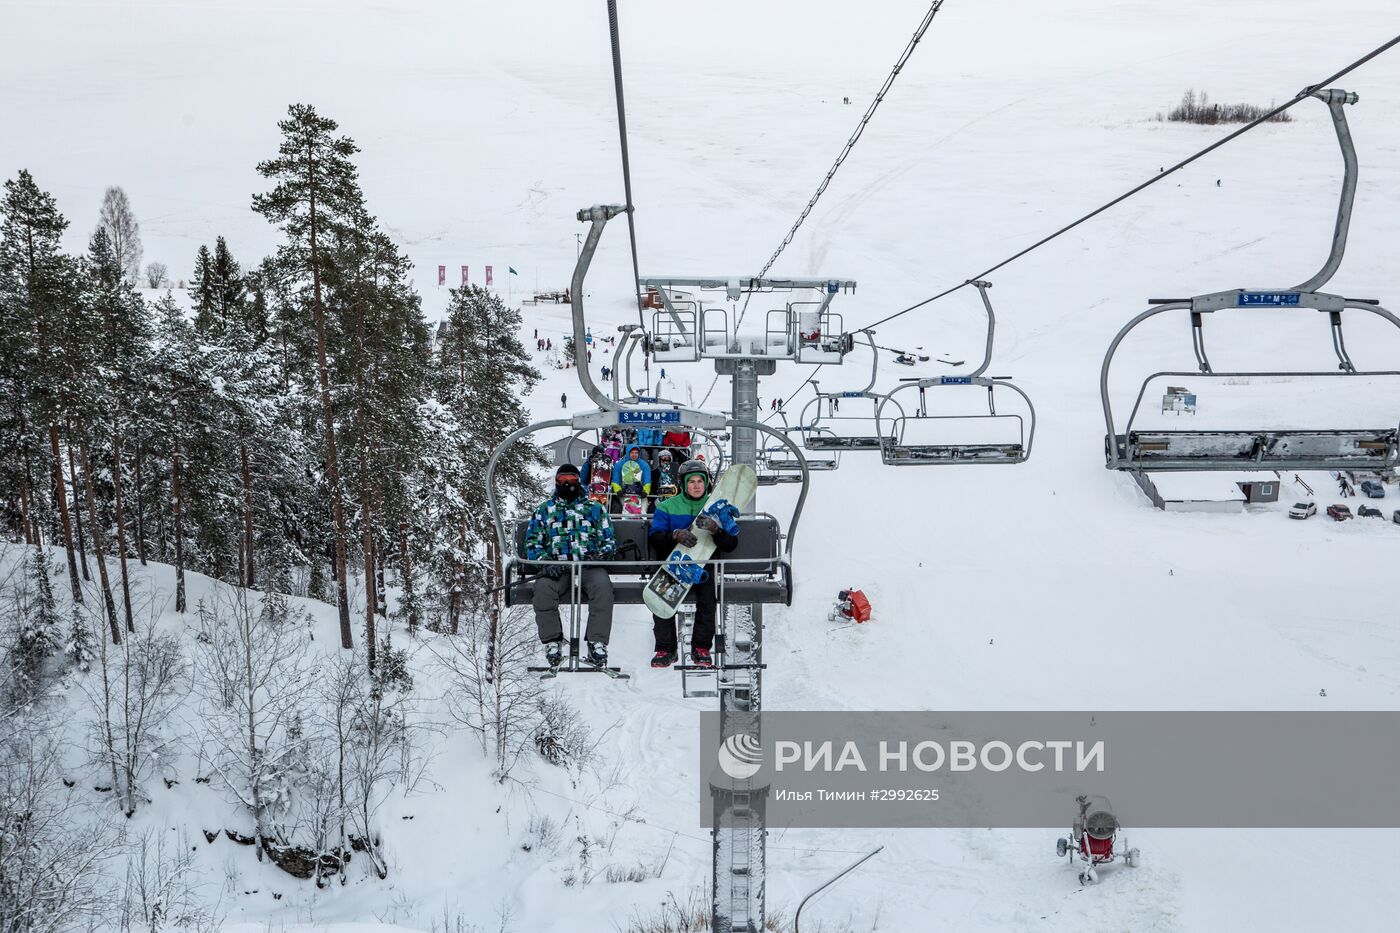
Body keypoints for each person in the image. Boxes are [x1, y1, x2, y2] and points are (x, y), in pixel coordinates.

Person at [524, 464, 617, 669]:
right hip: (558, 566)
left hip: (588, 565)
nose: (568, 484)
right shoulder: (545, 510)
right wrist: (544, 562)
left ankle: (597, 641)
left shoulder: (594, 508)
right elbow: (532, 542)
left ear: (578, 481)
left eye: (572, 480)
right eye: (563, 480)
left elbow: (609, 540)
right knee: (543, 589)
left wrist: (600, 555)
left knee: (602, 588)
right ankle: (552, 641)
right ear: (557, 482)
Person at [647, 460, 737, 669]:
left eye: (700, 481)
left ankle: (701, 647)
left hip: (703, 567)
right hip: (675, 565)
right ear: (683, 484)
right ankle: (666, 648)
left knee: (707, 600)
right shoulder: (668, 507)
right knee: (662, 596)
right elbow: (655, 538)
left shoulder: (716, 507)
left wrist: (716, 530)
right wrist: (674, 536)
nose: (696, 486)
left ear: (707, 484)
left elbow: (731, 544)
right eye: (692, 482)